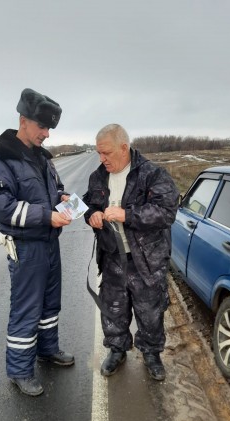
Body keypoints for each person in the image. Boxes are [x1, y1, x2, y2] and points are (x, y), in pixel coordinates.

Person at [0, 88, 74, 397]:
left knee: (50, 305)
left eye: (50, 128)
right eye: (42, 127)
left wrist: (62, 199)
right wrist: (47, 216)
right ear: (24, 121)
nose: (47, 134)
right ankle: (20, 370)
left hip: (50, 245)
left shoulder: (43, 160)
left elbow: (55, 189)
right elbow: (3, 208)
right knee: (26, 308)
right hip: (26, 248)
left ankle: (48, 350)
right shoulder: (0, 160)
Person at [83, 124, 179, 381]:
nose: (102, 159)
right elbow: (88, 203)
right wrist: (91, 214)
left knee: (150, 310)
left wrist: (128, 215)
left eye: (106, 153)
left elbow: (166, 212)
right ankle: (116, 349)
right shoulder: (98, 177)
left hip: (146, 260)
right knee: (113, 308)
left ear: (124, 148)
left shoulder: (152, 174)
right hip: (113, 256)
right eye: (98, 154)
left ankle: (151, 353)